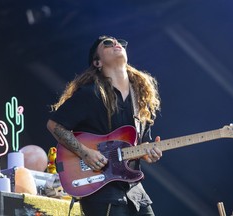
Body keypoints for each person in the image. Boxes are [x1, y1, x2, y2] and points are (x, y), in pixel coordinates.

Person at [46, 35, 162, 216]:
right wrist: (85, 153)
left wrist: (149, 152)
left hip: (134, 190)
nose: (117, 44)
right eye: (108, 43)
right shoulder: (91, 94)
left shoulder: (140, 99)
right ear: (97, 63)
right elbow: (55, 124)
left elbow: (141, 144)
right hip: (100, 187)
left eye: (120, 43)